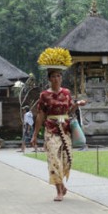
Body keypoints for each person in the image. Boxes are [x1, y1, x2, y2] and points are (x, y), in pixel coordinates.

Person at [31, 67, 86, 202]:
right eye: (54, 76)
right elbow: (40, 115)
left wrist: (78, 104)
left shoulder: (66, 93)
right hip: (51, 130)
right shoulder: (44, 95)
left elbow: (70, 110)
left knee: (67, 159)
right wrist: (35, 135)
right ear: (49, 79)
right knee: (54, 159)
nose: (56, 79)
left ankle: (61, 184)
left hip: (65, 129)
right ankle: (59, 190)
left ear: (61, 78)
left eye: (59, 76)